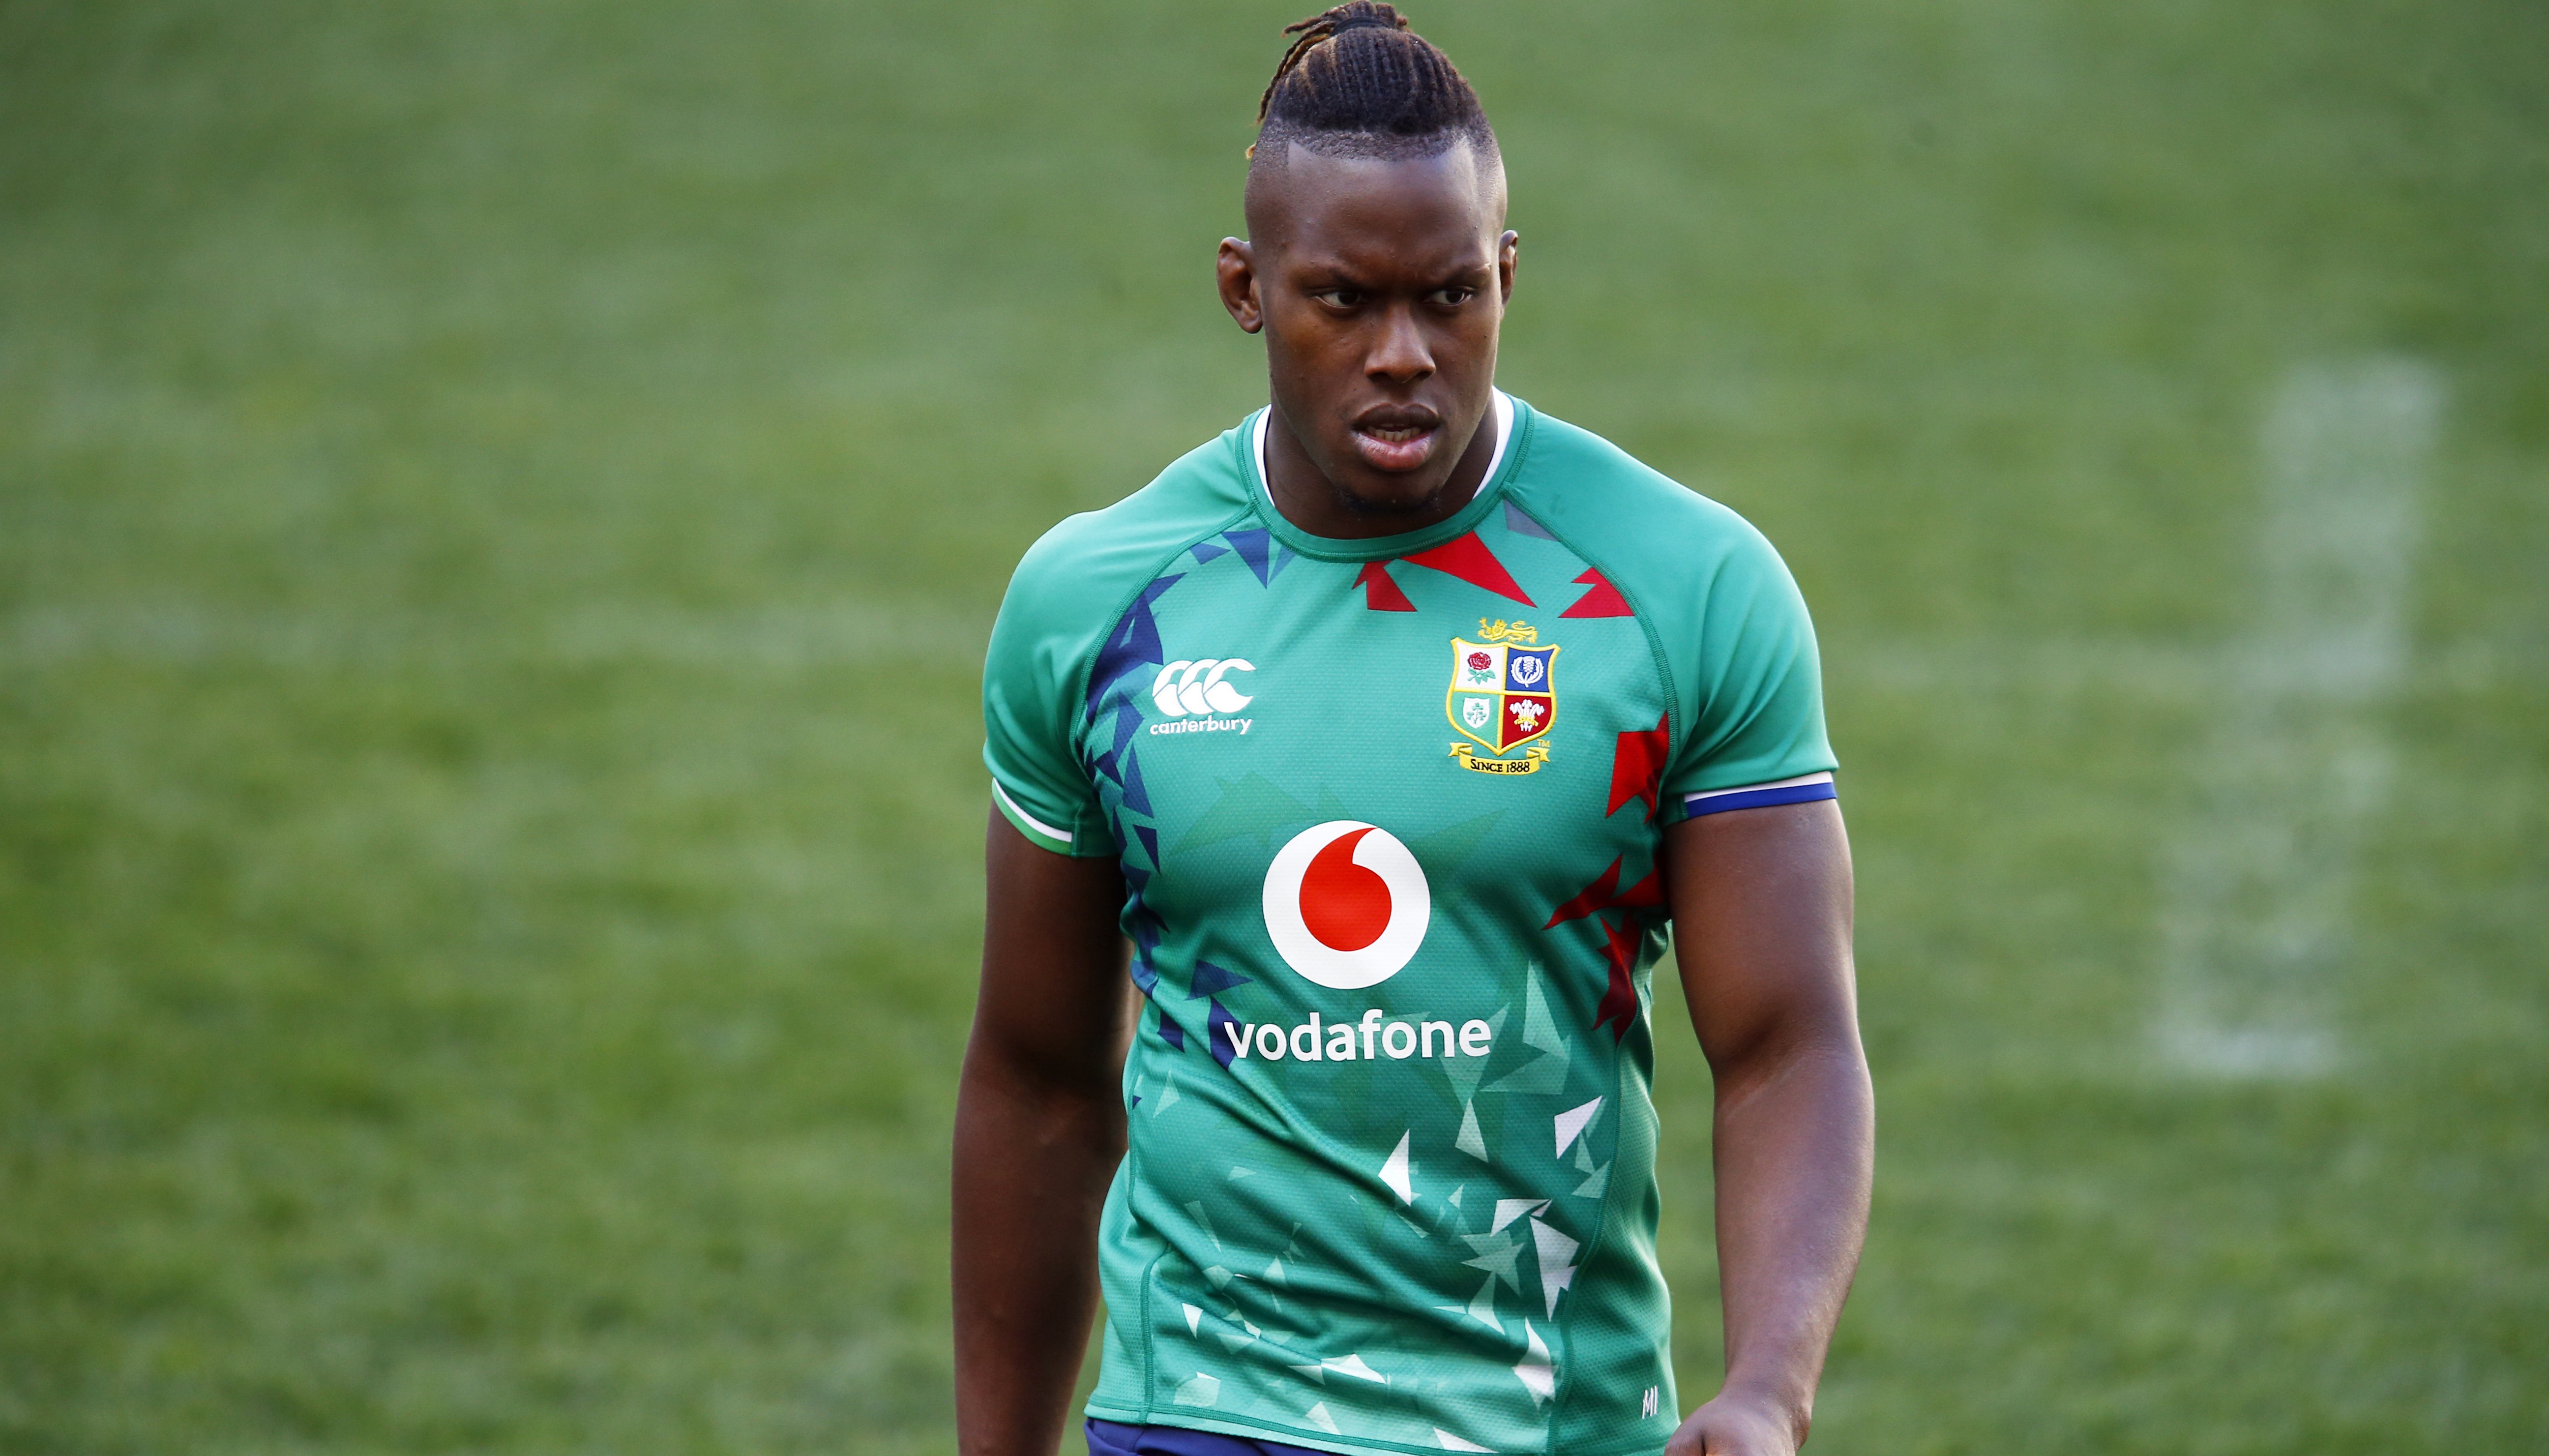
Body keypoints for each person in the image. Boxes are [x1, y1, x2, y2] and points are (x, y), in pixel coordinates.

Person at [953, 7, 1871, 1454]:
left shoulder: (1683, 586)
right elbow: (1039, 1079)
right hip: (1201, 1414)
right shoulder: (1101, 600)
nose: (1403, 354)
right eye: (1344, 300)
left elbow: (1787, 1045)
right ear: (1244, 289)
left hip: (1551, 1422)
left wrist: (1768, 1384)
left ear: (1506, 277)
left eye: (1450, 298)